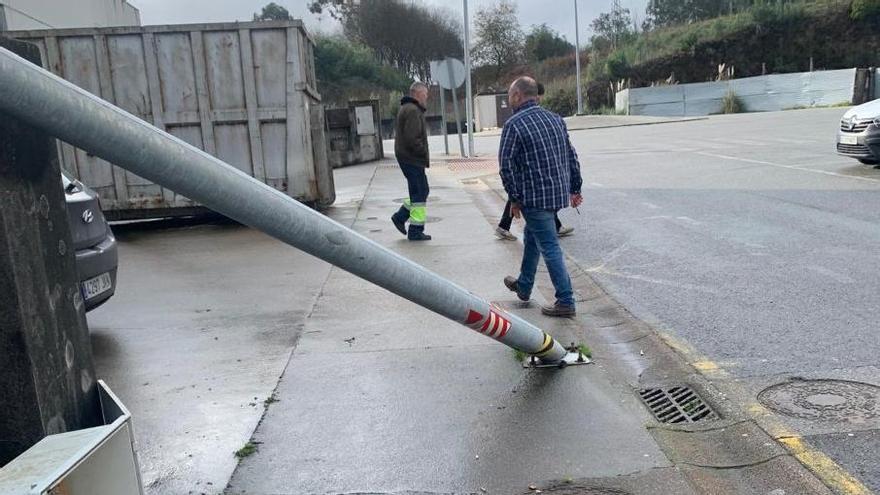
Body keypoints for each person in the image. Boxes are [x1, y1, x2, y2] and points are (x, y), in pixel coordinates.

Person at [499, 77, 583, 317]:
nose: (509, 99)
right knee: (532, 236)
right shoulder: (555, 119)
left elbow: (506, 167)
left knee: (549, 246)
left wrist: (514, 199)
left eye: (509, 95)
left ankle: (565, 300)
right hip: (556, 194)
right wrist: (575, 187)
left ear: (517, 95)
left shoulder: (514, 125)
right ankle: (524, 286)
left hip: (533, 198)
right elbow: (570, 155)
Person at [495, 82, 574, 241]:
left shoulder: (521, 119)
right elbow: (506, 162)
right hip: (528, 184)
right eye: (538, 96)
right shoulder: (518, 122)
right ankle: (505, 226)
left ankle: (504, 226)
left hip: (526, 185)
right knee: (549, 245)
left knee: (533, 231)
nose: (539, 99)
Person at [391, 82, 432, 241]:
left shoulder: (408, 108)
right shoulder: (413, 110)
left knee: (421, 191)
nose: (426, 98)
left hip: (408, 158)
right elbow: (412, 139)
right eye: (425, 95)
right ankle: (415, 230)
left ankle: (400, 217)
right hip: (412, 159)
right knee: (419, 193)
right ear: (417, 94)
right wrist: (422, 152)